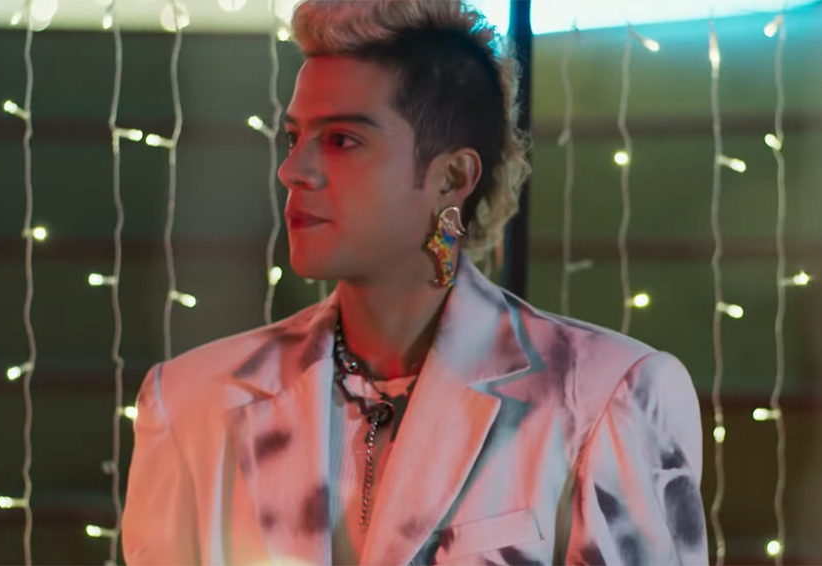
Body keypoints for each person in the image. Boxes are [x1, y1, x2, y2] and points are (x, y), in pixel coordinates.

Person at [121, 1, 708, 564]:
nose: (293, 170)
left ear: (451, 177)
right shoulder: (194, 404)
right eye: (294, 137)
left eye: (342, 140)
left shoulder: (603, 395)